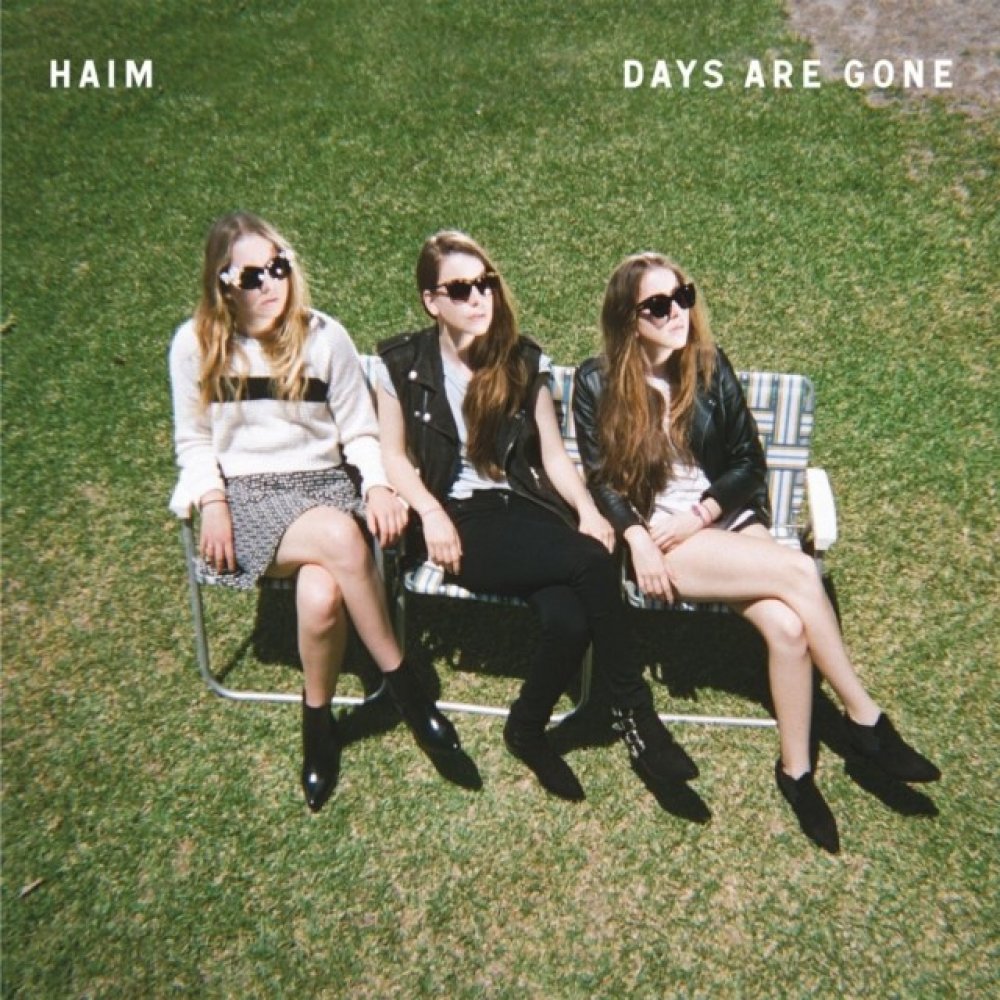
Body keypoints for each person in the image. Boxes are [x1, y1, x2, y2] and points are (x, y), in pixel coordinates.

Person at [573, 251, 940, 851]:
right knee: (800, 571)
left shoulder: (708, 365)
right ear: (628, 320)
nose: (677, 313)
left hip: (721, 516)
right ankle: (866, 721)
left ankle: (796, 772)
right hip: (662, 538)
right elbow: (601, 479)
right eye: (657, 305)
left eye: (682, 296)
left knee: (790, 628)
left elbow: (749, 463)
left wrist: (703, 512)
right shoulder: (596, 383)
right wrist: (637, 536)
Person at [375, 230, 697, 802]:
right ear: (431, 301)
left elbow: (552, 453)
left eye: (486, 284)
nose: (479, 298)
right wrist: (431, 513)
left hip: (528, 507)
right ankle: (636, 714)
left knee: (570, 619)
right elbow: (393, 458)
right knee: (592, 564)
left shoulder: (522, 360)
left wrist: (587, 510)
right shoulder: (401, 363)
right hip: (462, 520)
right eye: (460, 289)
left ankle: (525, 728)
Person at [168, 211, 461, 813]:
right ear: (223, 282)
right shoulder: (195, 344)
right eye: (252, 275)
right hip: (247, 497)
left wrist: (376, 487)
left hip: (325, 484)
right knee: (339, 538)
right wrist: (212, 500)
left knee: (323, 596)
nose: (271, 283)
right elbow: (193, 442)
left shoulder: (324, 336)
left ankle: (318, 724)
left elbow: (359, 431)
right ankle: (406, 689)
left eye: (278, 267)